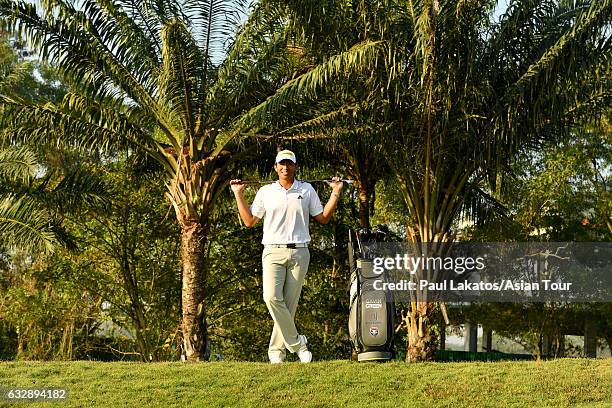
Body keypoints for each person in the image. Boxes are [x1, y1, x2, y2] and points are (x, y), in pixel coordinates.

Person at [230, 150, 343, 363]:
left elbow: (323, 218)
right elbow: (249, 221)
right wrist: (238, 193)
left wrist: (336, 191)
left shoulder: (306, 189)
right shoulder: (266, 191)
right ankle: (299, 344)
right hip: (272, 250)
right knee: (271, 297)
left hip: (300, 252)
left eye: (289, 164)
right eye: (281, 164)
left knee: (289, 306)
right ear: (275, 167)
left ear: (295, 166)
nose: (285, 167)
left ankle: (276, 353)